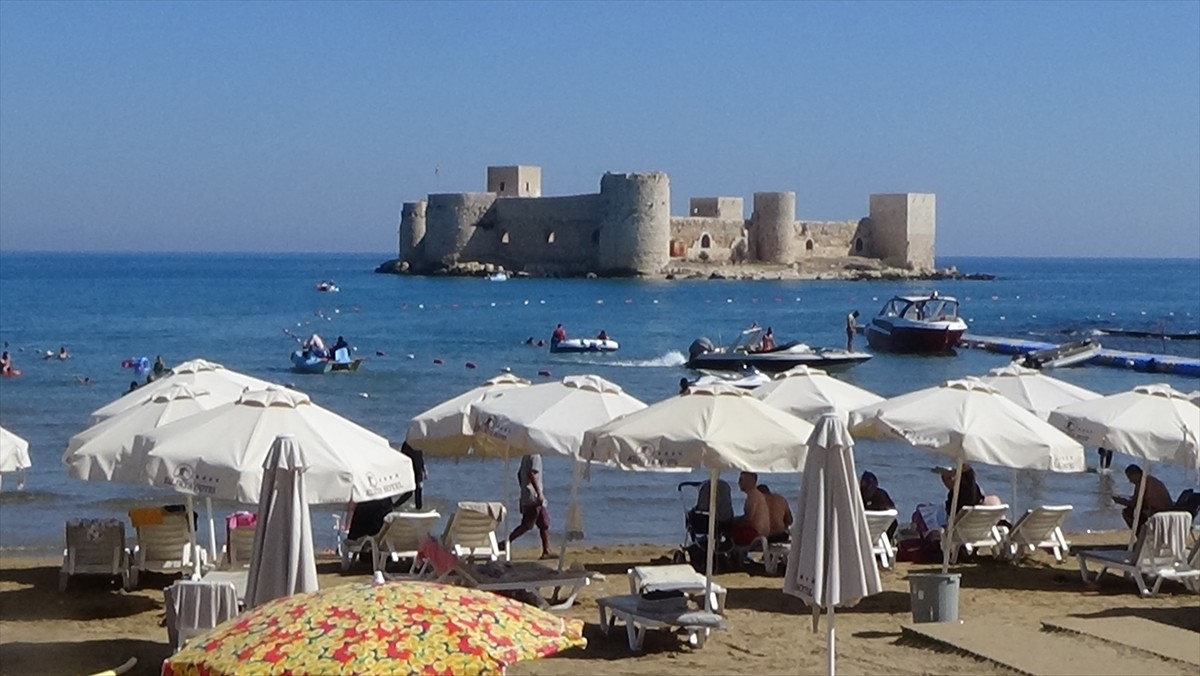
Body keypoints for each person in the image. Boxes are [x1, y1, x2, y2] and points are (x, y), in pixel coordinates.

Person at [509, 454, 555, 559]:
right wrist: (538, 492)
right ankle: (505, 542)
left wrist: (523, 489)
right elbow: (532, 474)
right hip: (534, 496)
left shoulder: (526, 455)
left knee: (544, 523)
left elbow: (519, 474)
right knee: (527, 525)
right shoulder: (535, 456)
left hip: (529, 494)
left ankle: (546, 550)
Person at [1114, 464, 1173, 530]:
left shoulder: (1144, 483)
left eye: (1130, 477)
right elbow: (1137, 499)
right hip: (1161, 508)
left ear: (1136, 474)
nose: (1130, 481)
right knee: (1133, 511)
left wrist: (1120, 501)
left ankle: (1139, 533)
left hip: (1160, 510)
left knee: (1127, 512)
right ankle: (1141, 532)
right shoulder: (1146, 480)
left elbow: (1135, 503)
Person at [730, 472, 770, 547]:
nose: (738, 482)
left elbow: (749, 520)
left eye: (741, 479)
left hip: (756, 535)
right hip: (761, 535)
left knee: (727, 530)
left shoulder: (753, 496)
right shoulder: (756, 495)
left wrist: (734, 521)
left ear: (749, 481)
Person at [860, 471, 898, 540]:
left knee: (893, 523)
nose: (869, 490)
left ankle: (888, 540)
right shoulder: (858, 496)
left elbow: (892, 511)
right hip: (871, 531)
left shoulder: (881, 496)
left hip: (872, 530)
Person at [395, 442, 427, 510]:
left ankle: (419, 508)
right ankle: (395, 506)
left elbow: (421, 456)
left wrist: (424, 469)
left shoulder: (418, 443)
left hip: (418, 470)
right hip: (410, 470)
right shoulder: (406, 445)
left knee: (419, 489)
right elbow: (402, 459)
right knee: (410, 492)